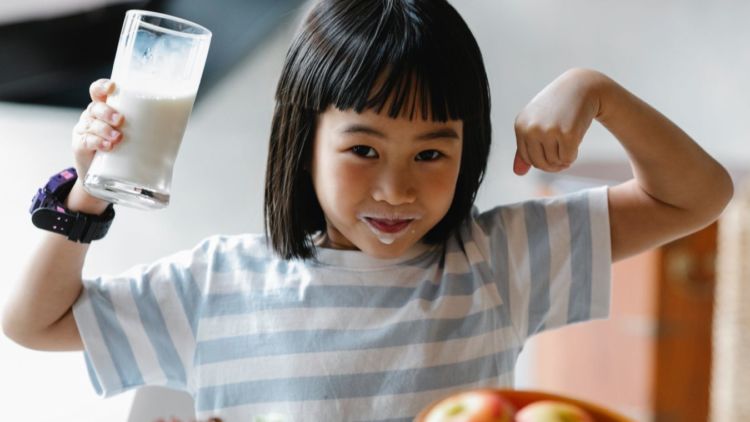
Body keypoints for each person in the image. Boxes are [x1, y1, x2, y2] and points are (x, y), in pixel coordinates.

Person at [2, 0, 734, 420]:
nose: (396, 191)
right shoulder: (220, 282)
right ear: (303, 140)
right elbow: (34, 323)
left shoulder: (499, 261)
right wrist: (90, 191)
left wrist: (594, 89)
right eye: (363, 150)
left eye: (430, 153)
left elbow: (698, 195)